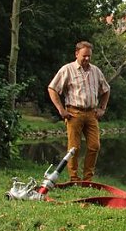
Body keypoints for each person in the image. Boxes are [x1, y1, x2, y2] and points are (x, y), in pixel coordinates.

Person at [47, 41, 110, 182]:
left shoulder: (96, 71)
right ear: (76, 54)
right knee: (74, 148)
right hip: (74, 113)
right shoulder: (67, 69)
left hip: (91, 113)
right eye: (84, 56)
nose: (87, 58)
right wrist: (61, 109)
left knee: (94, 146)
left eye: (89, 56)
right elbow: (52, 88)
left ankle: (88, 179)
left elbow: (106, 90)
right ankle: (74, 178)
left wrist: (102, 108)